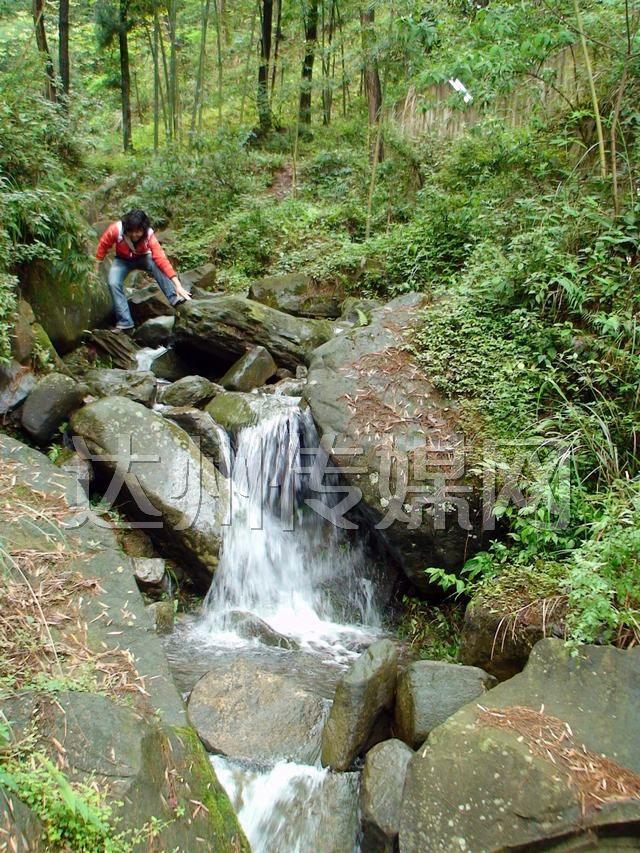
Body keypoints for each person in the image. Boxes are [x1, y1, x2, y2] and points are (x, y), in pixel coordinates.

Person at [95, 209, 192, 332]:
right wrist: (96, 265)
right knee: (113, 283)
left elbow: (161, 258)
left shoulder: (149, 234)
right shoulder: (116, 229)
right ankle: (125, 323)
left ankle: (174, 298)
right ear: (126, 228)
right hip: (122, 260)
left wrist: (178, 285)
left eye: (138, 231)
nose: (135, 235)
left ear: (144, 228)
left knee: (156, 264)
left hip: (144, 257)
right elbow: (103, 244)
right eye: (131, 231)